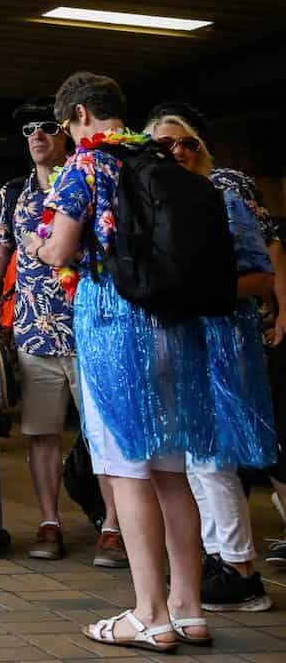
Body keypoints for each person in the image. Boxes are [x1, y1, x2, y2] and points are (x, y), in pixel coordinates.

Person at [35, 72, 213, 652]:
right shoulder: (156, 157)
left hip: (114, 320)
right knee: (169, 471)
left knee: (125, 468)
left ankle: (149, 613)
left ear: (82, 114)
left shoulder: (84, 168)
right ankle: (189, 608)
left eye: (64, 125)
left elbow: (60, 248)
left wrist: (41, 247)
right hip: (169, 319)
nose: (64, 136)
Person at [0, 103, 124, 566]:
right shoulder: (14, 193)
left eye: (48, 128)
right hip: (35, 335)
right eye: (29, 130)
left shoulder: (89, 179)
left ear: (67, 133)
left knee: (103, 435)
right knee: (41, 433)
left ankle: (114, 527)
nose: (37, 136)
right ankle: (49, 521)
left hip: (94, 330)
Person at [145, 104, 277, 612]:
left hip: (220, 338)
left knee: (212, 456)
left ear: (202, 151)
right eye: (163, 145)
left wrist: (200, 292)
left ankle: (240, 568)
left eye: (187, 143)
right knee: (188, 461)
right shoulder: (148, 204)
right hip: (171, 343)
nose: (176, 151)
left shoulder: (225, 201)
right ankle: (218, 559)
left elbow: (262, 276)